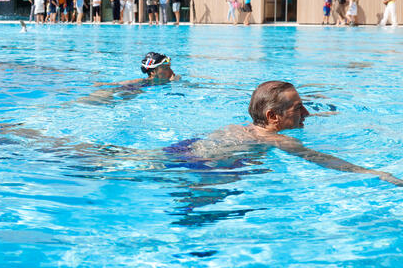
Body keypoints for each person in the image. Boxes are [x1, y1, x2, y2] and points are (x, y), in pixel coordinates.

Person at [166, 81, 403, 187]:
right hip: (206, 167)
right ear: (272, 116)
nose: (306, 113)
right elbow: (322, 159)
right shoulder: (276, 139)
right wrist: (374, 173)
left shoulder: (241, 128)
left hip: (185, 148)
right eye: (298, 108)